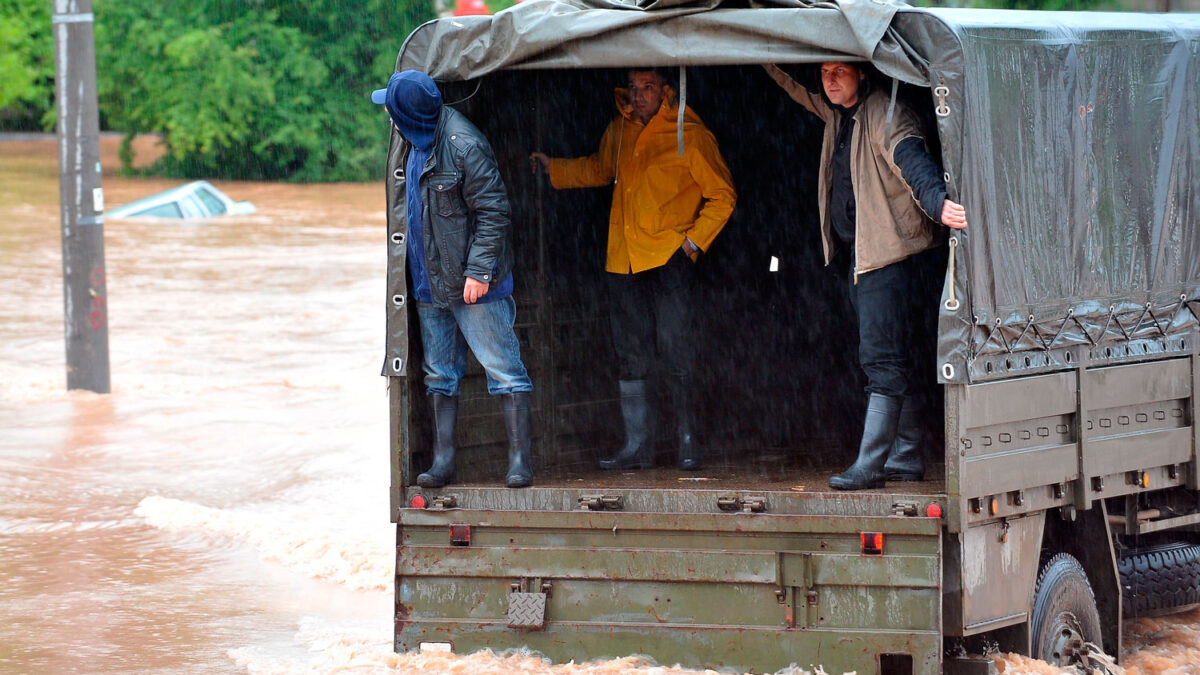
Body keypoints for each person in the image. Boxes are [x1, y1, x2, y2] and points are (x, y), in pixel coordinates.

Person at [763, 61, 968, 491]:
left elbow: (911, 160)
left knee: (882, 361)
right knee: (893, 358)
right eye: (825, 72)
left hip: (889, 259)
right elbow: (796, 86)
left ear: (862, 73)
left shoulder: (885, 113)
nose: (830, 79)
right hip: (865, 258)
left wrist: (939, 204)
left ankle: (871, 464)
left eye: (840, 71)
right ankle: (907, 456)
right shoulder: (838, 113)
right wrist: (759, 49)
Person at [530, 68, 736, 472]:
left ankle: (688, 442)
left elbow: (723, 196)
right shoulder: (619, 130)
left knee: (676, 351)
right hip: (622, 260)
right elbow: (599, 169)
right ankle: (637, 447)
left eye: (649, 87)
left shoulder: (688, 134)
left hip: (667, 260)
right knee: (629, 355)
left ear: (667, 91)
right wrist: (553, 168)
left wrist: (690, 245)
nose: (639, 95)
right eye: (634, 87)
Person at [372, 70, 534, 488]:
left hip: (474, 286)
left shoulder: (465, 145)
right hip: (429, 283)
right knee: (439, 374)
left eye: (390, 109)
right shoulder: (410, 143)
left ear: (405, 113)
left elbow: (494, 211)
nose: (387, 116)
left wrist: (479, 271)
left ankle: (520, 462)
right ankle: (443, 463)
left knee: (505, 372)